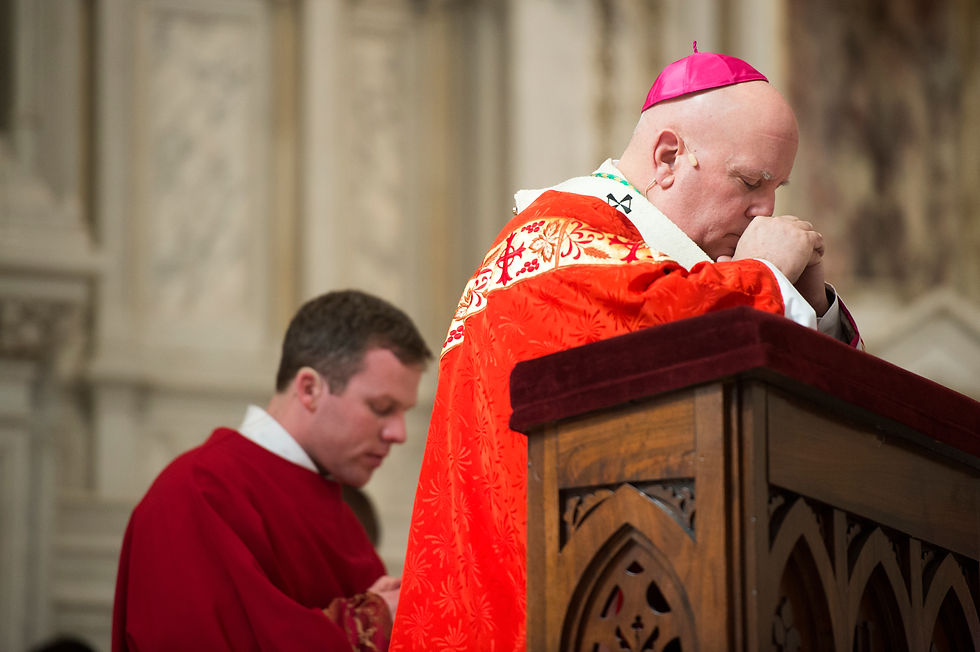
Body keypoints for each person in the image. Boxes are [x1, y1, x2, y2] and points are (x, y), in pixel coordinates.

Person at [389, 45, 861, 651]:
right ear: (668, 157)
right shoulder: (558, 246)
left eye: (777, 188)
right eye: (750, 182)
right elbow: (680, 335)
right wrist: (763, 275)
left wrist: (811, 305)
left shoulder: (638, 259)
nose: (766, 210)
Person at [112, 290, 432, 652]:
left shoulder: (344, 518)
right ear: (309, 389)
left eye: (403, 412)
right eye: (382, 407)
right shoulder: (198, 491)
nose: (399, 434)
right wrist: (374, 618)